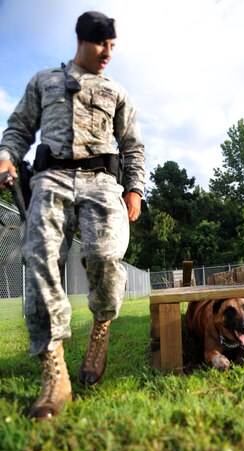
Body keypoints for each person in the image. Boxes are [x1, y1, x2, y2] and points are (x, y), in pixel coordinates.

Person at [0, 11, 146, 420]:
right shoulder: (44, 81)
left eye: (113, 47)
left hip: (102, 182)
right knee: (40, 260)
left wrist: (134, 189)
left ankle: (101, 327)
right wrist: (6, 157)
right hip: (51, 178)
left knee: (104, 255)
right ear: (82, 40)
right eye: (102, 45)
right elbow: (17, 130)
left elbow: (133, 146)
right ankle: (55, 373)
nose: (108, 54)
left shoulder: (116, 92)